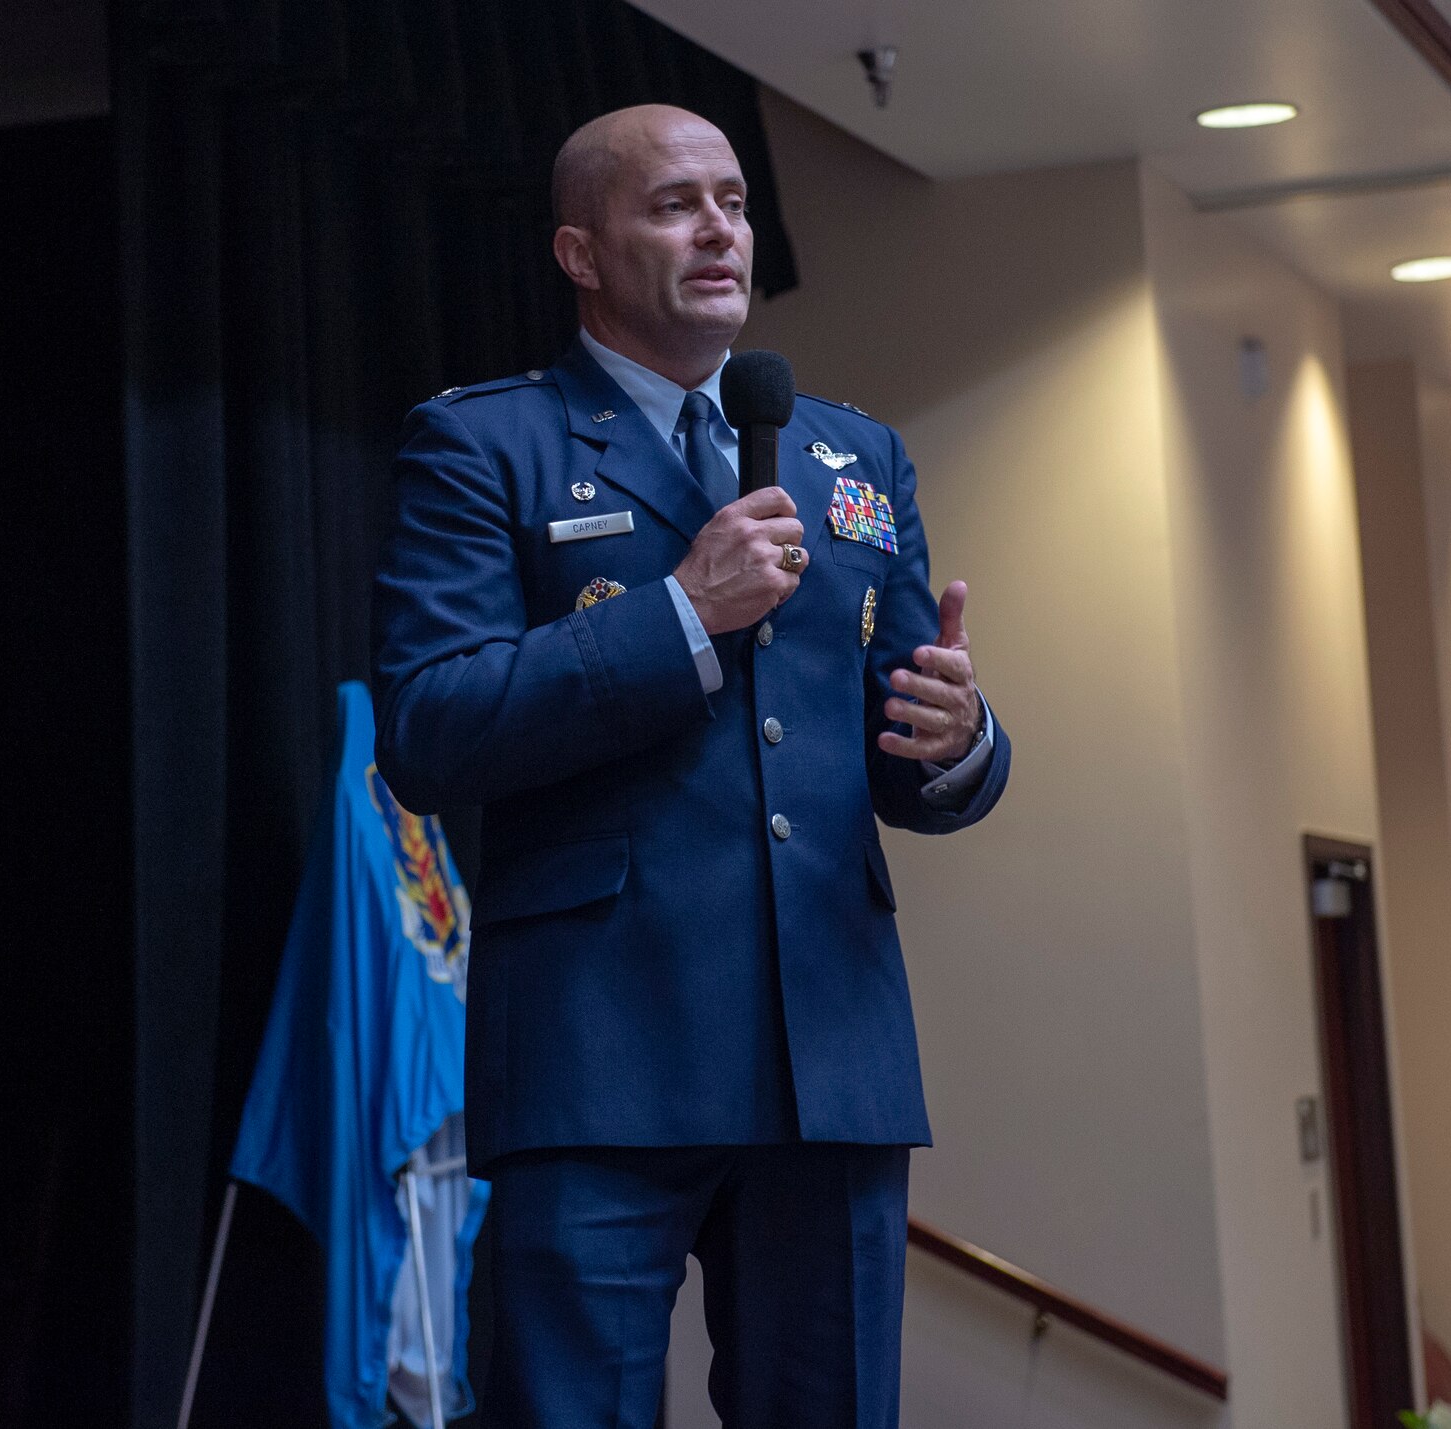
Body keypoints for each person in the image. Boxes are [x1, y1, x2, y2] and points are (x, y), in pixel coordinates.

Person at [371, 103, 1011, 1427]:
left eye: (732, 199)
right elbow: (430, 726)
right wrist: (678, 613)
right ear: (581, 253)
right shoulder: (487, 446)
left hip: (829, 1058)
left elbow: (898, 749)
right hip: (600, 1054)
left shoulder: (851, 454)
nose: (721, 226)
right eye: (674, 204)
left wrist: (962, 742)